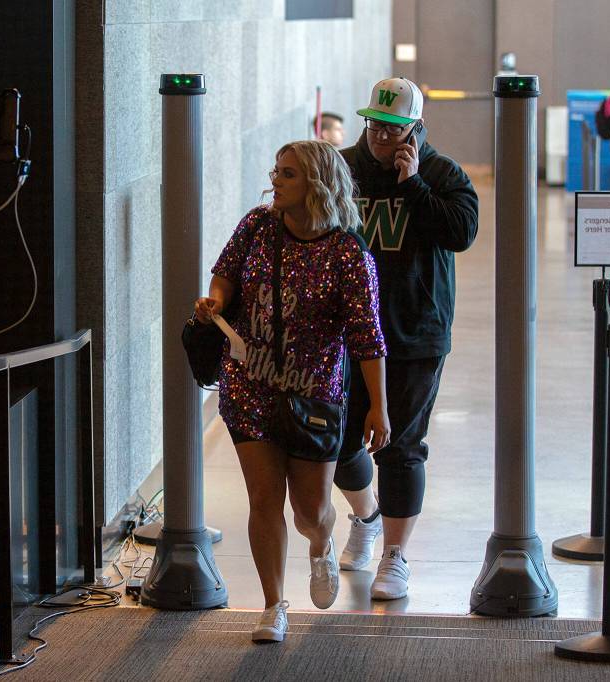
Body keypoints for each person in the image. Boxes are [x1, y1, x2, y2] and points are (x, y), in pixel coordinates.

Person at [194, 140, 390, 642]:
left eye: (288, 174)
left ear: (317, 184)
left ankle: (322, 543)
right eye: (275, 171)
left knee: (309, 510)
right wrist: (214, 301)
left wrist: (378, 409)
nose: (275, 181)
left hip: (313, 394)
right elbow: (226, 273)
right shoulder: (257, 226)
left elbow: (368, 337)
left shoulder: (348, 252)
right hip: (249, 382)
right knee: (263, 499)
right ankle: (272, 605)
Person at [333, 77, 479, 600]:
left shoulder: (442, 173)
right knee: (336, 439)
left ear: (414, 130)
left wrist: (413, 184)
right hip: (347, 333)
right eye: (374, 124)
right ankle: (366, 517)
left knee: (400, 447)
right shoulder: (344, 168)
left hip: (415, 332)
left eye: (393, 128)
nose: (380, 136)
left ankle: (395, 556)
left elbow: (461, 233)